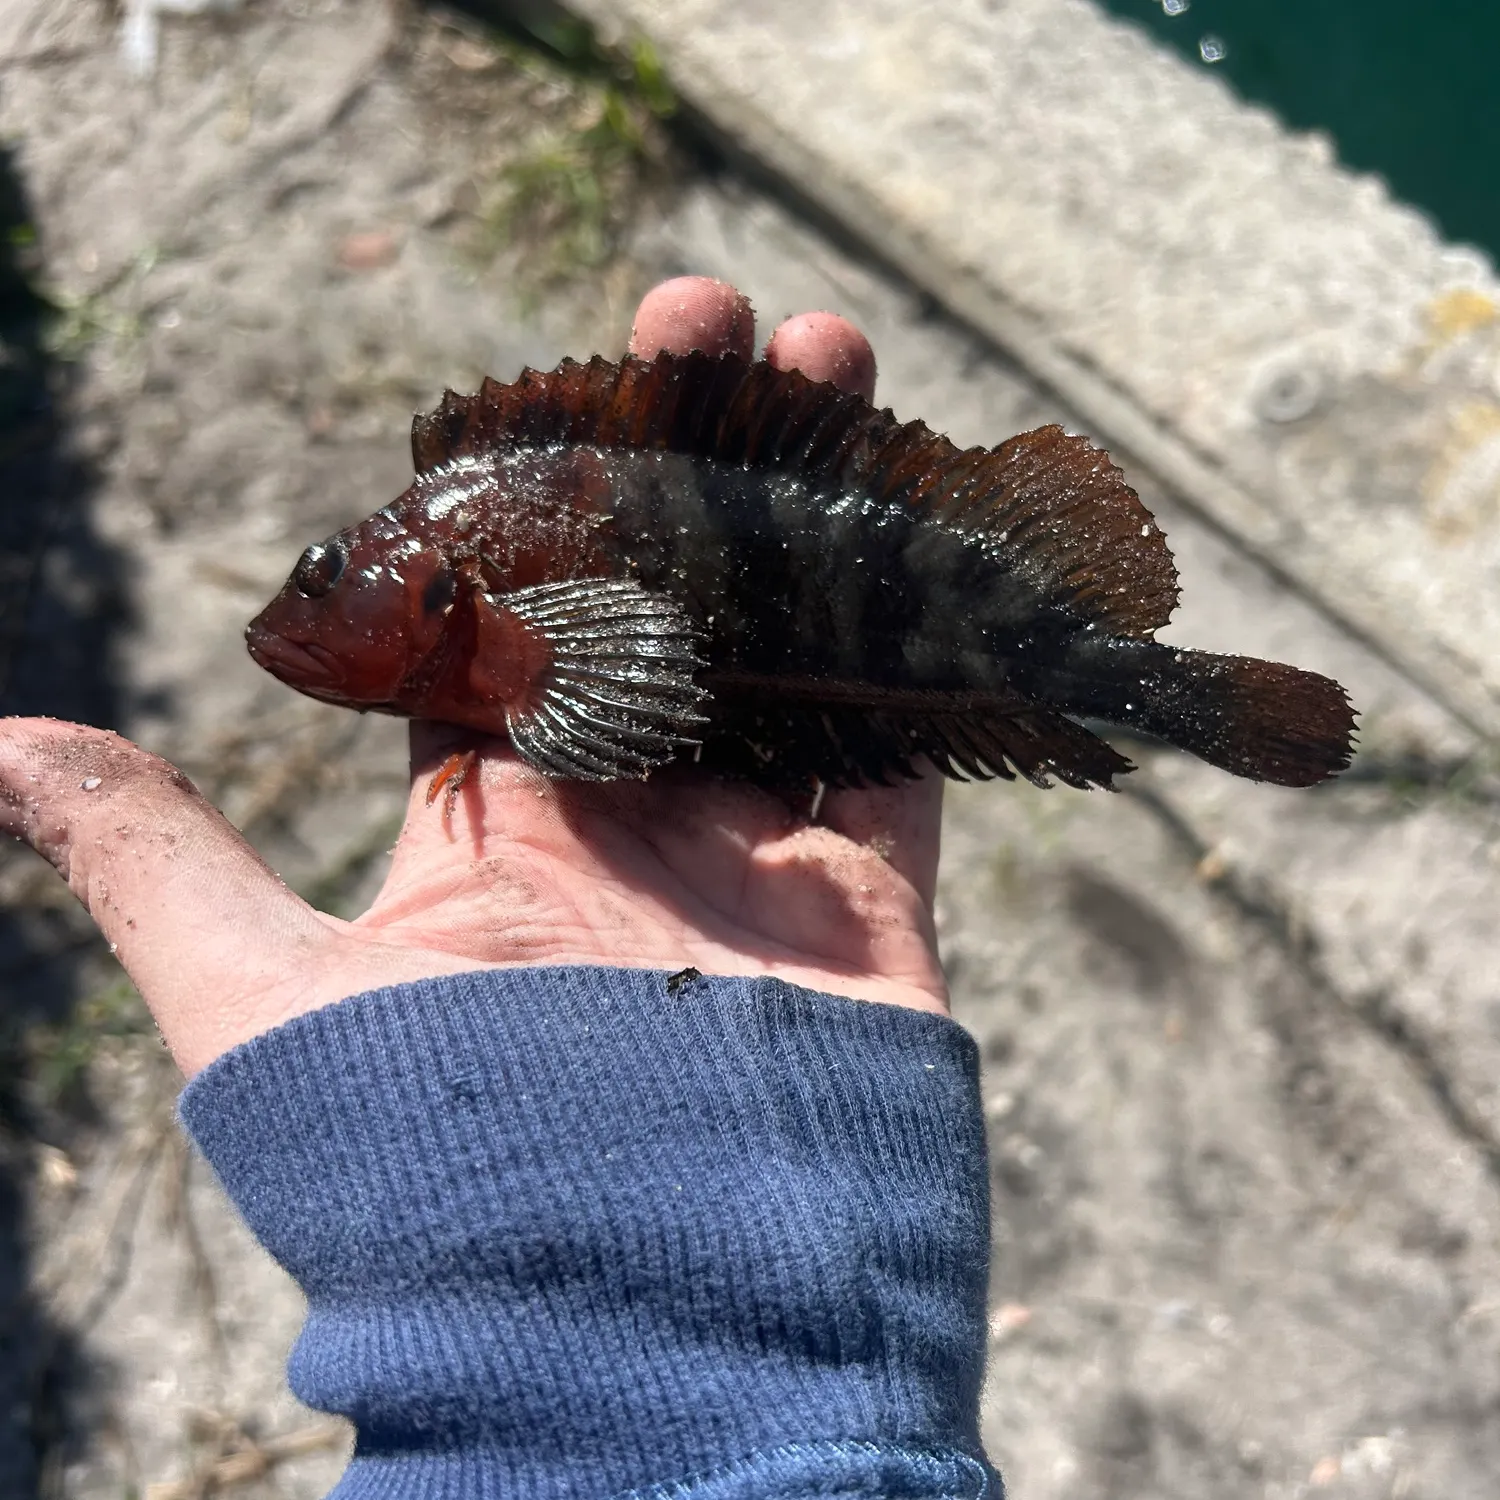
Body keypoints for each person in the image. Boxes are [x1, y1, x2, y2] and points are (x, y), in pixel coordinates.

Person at [0, 278, 999, 1498]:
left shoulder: (484, 577)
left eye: (325, 577)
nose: (296, 614)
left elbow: (608, 668)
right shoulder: (479, 561)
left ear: (435, 592)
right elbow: (618, 668)